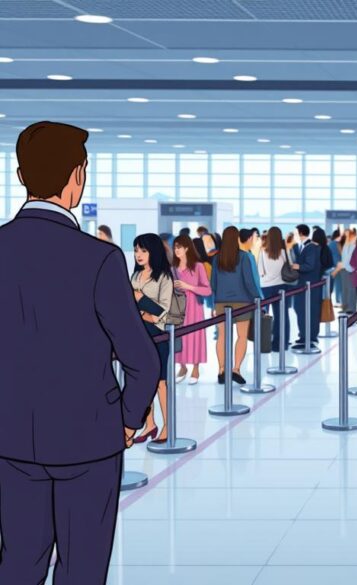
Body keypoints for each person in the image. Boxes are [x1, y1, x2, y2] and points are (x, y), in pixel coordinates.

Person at [0, 121, 159, 584]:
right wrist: (128, 420)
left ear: (21, 175)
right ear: (77, 176)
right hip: (88, 440)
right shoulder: (101, 259)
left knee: (17, 561)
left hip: (9, 439)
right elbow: (141, 358)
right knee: (83, 567)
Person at [130, 233, 174, 445]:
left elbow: (163, 311)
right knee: (144, 383)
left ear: (153, 252)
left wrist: (142, 301)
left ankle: (168, 425)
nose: (138, 255)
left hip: (158, 334)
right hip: (138, 334)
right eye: (137, 250)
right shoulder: (135, 276)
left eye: (143, 250)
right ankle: (150, 424)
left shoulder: (164, 277)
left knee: (161, 384)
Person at [212, 226, 260, 383]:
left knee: (222, 337)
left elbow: (213, 284)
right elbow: (249, 282)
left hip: (220, 302)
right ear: (237, 238)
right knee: (242, 336)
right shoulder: (245, 257)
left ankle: (221, 370)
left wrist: (214, 304)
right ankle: (236, 369)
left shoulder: (216, 258)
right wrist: (258, 298)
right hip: (242, 302)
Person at [172, 235, 211, 385]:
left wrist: (188, 287)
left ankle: (195, 368)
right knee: (178, 337)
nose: (176, 250)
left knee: (195, 336)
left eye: (179, 247)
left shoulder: (198, 267)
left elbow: (207, 290)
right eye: (175, 247)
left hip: (194, 308)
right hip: (177, 308)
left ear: (187, 248)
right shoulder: (173, 268)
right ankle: (182, 367)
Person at [259, 227, 291, 352]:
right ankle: (281, 344)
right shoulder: (283, 252)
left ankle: (264, 344)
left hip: (265, 287)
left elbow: (260, 272)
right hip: (281, 286)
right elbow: (290, 267)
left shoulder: (263, 252)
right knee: (282, 316)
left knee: (263, 316)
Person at [291, 224, 322, 350]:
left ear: (300, 233)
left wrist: (297, 266)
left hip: (309, 285)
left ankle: (309, 337)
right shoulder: (301, 246)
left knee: (309, 311)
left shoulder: (311, 247)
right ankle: (304, 336)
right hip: (303, 285)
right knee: (302, 310)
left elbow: (310, 265)